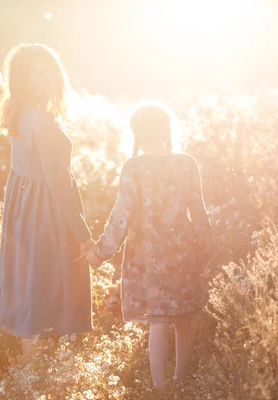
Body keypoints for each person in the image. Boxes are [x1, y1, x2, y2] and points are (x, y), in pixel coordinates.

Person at [85, 104, 214, 392]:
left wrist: (101, 251)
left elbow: (122, 215)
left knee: (158, 321)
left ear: (138, 134)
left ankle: (159, 388)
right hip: (182, 253)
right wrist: (205, 249)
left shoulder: (135, 167)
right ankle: (181, 379)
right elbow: (199, 211)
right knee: (183, 320)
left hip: (147, 257)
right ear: (167, 130)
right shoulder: (186, 163)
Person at [0, 43, 95, 355]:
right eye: (39, 72)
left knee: (31, 289)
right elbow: (60, 186)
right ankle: (42, 378)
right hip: (47, 215)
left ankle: (32, 375)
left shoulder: (20, 113)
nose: (49, 76)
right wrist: (84, 236)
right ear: (24, 78)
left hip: (25, 212)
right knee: (49, 290)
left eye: (51, 69)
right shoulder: (43, 124)